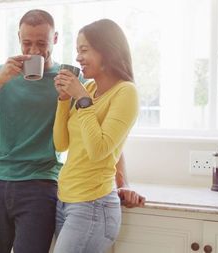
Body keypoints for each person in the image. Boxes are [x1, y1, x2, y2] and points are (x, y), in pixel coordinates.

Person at [0, 9, 61, 253]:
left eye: (42, 43)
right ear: (18, 38)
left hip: (40, 183)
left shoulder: (64, 80)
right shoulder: (2, 74)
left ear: (55, 39)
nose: (34, 51)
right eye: (27, 43)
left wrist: (121, 182)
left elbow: (99, 124)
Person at [52, 19, 145, 253]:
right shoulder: (91, 89)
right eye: (77, 51)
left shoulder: (126, 92)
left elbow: (99, 150)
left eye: (84, 50)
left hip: (92, 205)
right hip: (65, 201)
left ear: (107, 50)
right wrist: (64, 99)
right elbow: (61, 144)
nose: (78, 58)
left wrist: (82, 99)